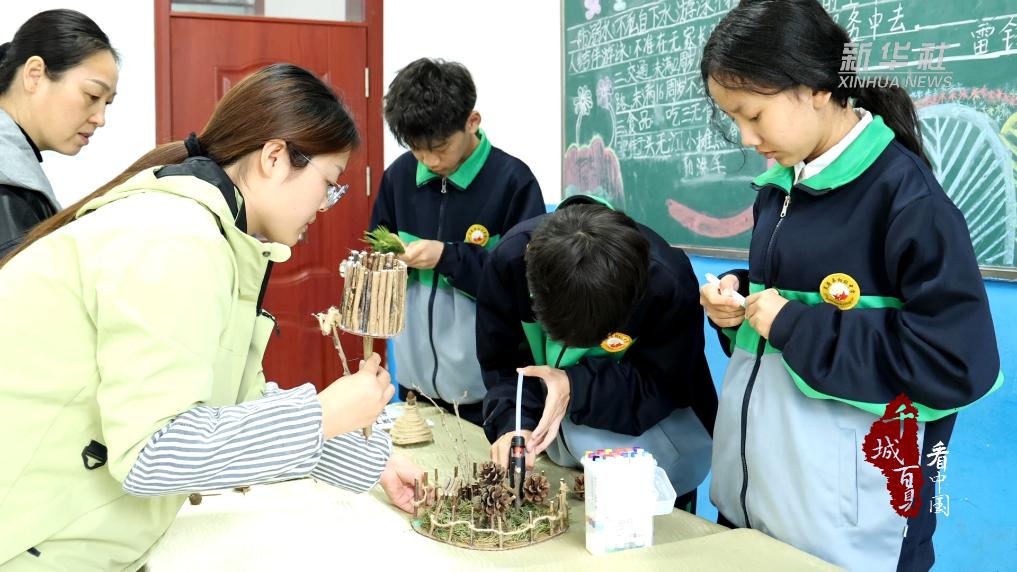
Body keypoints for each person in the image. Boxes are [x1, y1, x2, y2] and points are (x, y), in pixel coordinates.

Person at [0, 63, 422, 570]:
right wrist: (322, 415)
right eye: (329, 184)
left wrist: (373, 460)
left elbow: (231, 397)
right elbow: (152, 453)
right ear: (274, 158)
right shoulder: (176, 237)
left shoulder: (209, 231)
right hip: (32, 540)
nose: (326, 205)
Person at [698, 1, 1002, 570]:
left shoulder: (908, 201)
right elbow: (788, 307)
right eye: (732, 118)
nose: (745, 136)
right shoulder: (780, 187)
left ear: (816, 87)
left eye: (753, 114)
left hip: (853, 536)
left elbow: (957, 364)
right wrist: (738, 303)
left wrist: (794, 326)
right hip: (756, 505)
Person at [480, 195, 717, 512]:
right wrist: (514, 422)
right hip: (559, 468)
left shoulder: (666, 282)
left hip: (652, 466)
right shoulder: (509, 263)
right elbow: (503, 364)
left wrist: (575, 386)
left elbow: (663, 385)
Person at [370, 58, 546, 425]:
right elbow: (377, 257)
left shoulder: (513, 182)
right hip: (415, 387)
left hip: (491, 392)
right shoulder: (398, 178)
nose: (429, 160)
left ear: (472, 121)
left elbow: (526, 286)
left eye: (439, 147)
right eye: (417, 149)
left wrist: (447, 257)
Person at [0, 9, 118, 257]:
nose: (100, 119)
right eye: (93, 95)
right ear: (34, 75)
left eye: (106, 103)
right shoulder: (9, 189)